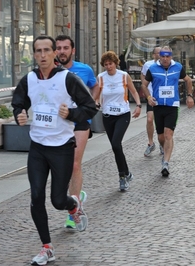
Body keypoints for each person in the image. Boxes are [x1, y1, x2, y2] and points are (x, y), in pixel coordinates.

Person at [11, 35, 98, 265]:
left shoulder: (67, 79)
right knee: (36, 196)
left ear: (53, 54)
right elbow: (19, 102)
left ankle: (73, 206)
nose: (42, 55)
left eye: (46, 50)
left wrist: (71, 114)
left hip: (61, 148)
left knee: (58, 200)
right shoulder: (29, 79)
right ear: (34, 53)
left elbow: (90, 108)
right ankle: (47, 247)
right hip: (38, 147)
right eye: (37, 51)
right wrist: (19, 113)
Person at [55, 35, 100, 229]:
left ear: (72, 50)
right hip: (59, 123)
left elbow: (95, 85)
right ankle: (76, 195)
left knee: (74, 164)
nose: (62, 51)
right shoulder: (50, 72)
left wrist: (92, 103)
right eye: (59, 48)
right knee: (61, 167)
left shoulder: (84, 69)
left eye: (66, 48)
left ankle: (72, 212)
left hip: (80, 121)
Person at [141, 46, 194, 177]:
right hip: (158, 105)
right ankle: (163, 148)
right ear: (159, 56)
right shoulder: (152, 69)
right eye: (162, 56)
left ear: (171, 56)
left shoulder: (178, 67)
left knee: (168, 134)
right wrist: (148, 97)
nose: (165, 59)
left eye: (167, 56)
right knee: (160, 136)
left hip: (172, 105)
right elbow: (144, 84)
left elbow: (188, 80)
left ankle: (166, 162)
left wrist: (190, 95)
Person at [97, 51, 141, 190]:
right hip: (108, 115)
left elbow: (133, 91)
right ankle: (127, 173)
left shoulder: (123, 76)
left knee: (116, 144)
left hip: (122, 114)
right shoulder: (101, 77)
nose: (108, 67)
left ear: (116, 63)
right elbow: (96, 95)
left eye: (111, 64)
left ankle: (122, 177)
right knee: (116, 148)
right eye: (106, 64)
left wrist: (138, 105)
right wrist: (97, 102)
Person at [141, 46, 162, 156]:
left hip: (162, 97)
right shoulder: (147, 65)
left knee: (160, 121)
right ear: (153, 54)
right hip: (151, 97)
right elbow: (143, 78)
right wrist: (146, 93)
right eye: (157, 53)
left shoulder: (166, 64)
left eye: (160, 53)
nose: (159, 55)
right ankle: (150, 143)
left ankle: (162, 144)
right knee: (150, 120)